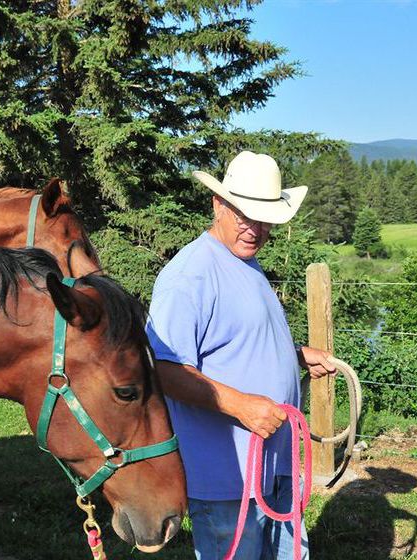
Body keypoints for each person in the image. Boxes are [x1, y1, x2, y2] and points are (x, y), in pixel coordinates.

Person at [146, 151, 336, 559]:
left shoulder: (245, 262)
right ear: (218, 204)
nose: (254, 228)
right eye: (243, 215)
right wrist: (242, 406)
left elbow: (236, 339)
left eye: (264, 218)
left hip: (272, 465)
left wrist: (296, 354)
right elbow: (163, 368)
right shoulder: (189, 275)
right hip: (228, 477)